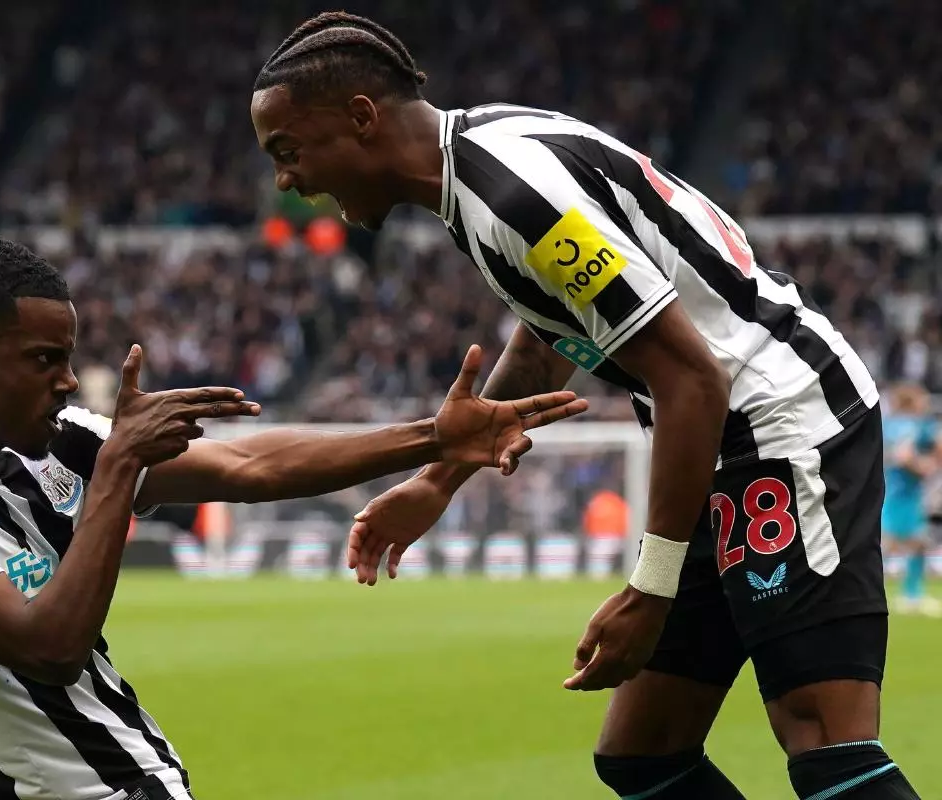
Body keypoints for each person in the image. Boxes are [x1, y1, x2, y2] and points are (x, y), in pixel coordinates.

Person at [250, 12, 916, 799]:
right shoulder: (478, 167)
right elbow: (545, 343)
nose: (286, 180)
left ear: (361, 116)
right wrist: (437, 482)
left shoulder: (513, 194)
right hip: (718, 442)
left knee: (825, 741)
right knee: (643, 755)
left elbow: (692, 378)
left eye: (288, 150)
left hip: (783, 423)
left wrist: (651, 585)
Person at [0, 233, 586, 800]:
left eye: (69, 358)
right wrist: (119, 467)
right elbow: (49, 648)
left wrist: (430, 440)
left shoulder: (62, 444)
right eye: (43, 359)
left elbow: (249, 466)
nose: (68, 382)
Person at [881, 383, 940, 615]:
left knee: (908, 543)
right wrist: (925, 467)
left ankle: (909, 594)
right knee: (899, 543)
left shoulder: (889, 424)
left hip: (897, 492)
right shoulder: (909, 425)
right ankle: (911, 595)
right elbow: (904, 455)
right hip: (902, 495)